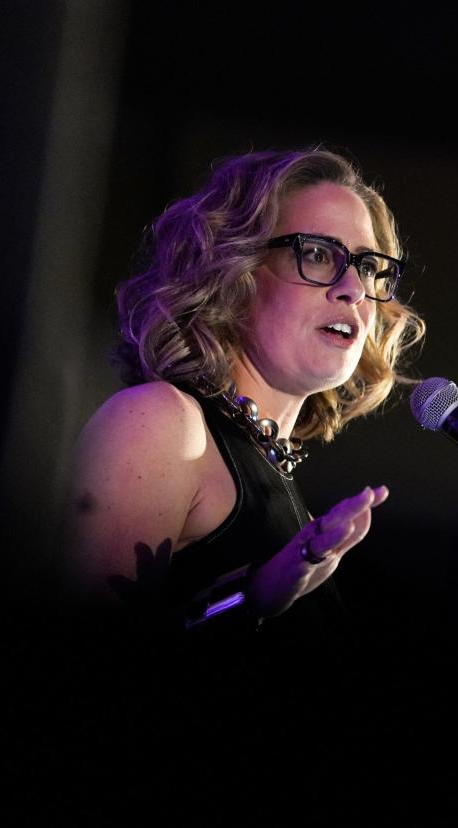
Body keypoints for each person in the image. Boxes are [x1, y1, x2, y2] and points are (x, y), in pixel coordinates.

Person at [67, 148, 424, 651]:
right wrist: (248, 599)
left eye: (367, 267)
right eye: (319, 253)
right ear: (234, 272)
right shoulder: (161, 422)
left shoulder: (273, 472)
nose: (353, 290)